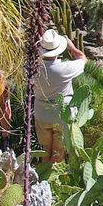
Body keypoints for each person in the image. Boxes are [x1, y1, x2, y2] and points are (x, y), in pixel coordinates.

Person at [31, 28, 85, 163]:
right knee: (58, 151)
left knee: (45, 150)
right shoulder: (64, 69)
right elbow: (83, 59)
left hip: (41, 113)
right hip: (62, 114)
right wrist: (71, 47)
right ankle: (55, 174)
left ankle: (44, 172)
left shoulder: (32, 68)